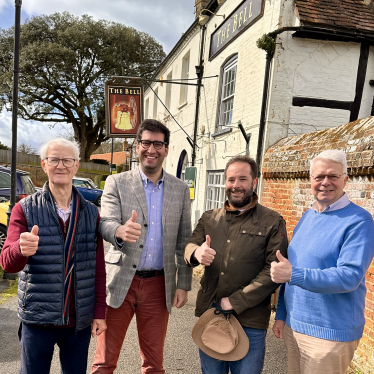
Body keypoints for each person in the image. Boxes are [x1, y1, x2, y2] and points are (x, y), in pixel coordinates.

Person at [92, 119, 192, 374]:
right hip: (120, 280)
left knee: (153, 365)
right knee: (104, 362)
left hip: (159, 285)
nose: (151, 149)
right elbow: (105, 222)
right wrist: (119, 231)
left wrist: (183, 283)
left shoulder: (180, 190)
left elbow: (184, 239)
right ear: (137, 147)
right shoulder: (117, 182)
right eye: (146, 142)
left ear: (166, 149)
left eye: (158, 144)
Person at [0, 138, 106, 374]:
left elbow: (98, 267)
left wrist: (99, 312)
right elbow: (7, 261)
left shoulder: (90, 213)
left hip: (78, 321)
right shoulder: (25, 209)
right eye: (54, 159)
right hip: (38, 319)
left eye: (67, 160)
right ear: (44, 164)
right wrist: (20, 249)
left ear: (76, 165)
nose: (61, 165)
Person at [271, 149, 374, 374]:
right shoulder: (308, 216)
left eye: (333, 176)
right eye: (319, 177)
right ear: (310, 180)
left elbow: (349, 277)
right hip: (294, 327)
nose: (325, 182)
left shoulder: (359, 221)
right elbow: (288, 269)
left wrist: (293, 274)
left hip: (328, 336)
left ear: (345, 179)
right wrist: (281, 315)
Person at [184, 155, 288, 374]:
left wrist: (236, 301)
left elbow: (274, 270)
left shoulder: (272, 221)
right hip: (211, 314)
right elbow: (190, 246)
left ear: (254, 182)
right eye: (231, 180)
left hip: (250, 321)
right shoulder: (209, 218)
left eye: (242, 179)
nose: (236, 185)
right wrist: (197, 253)